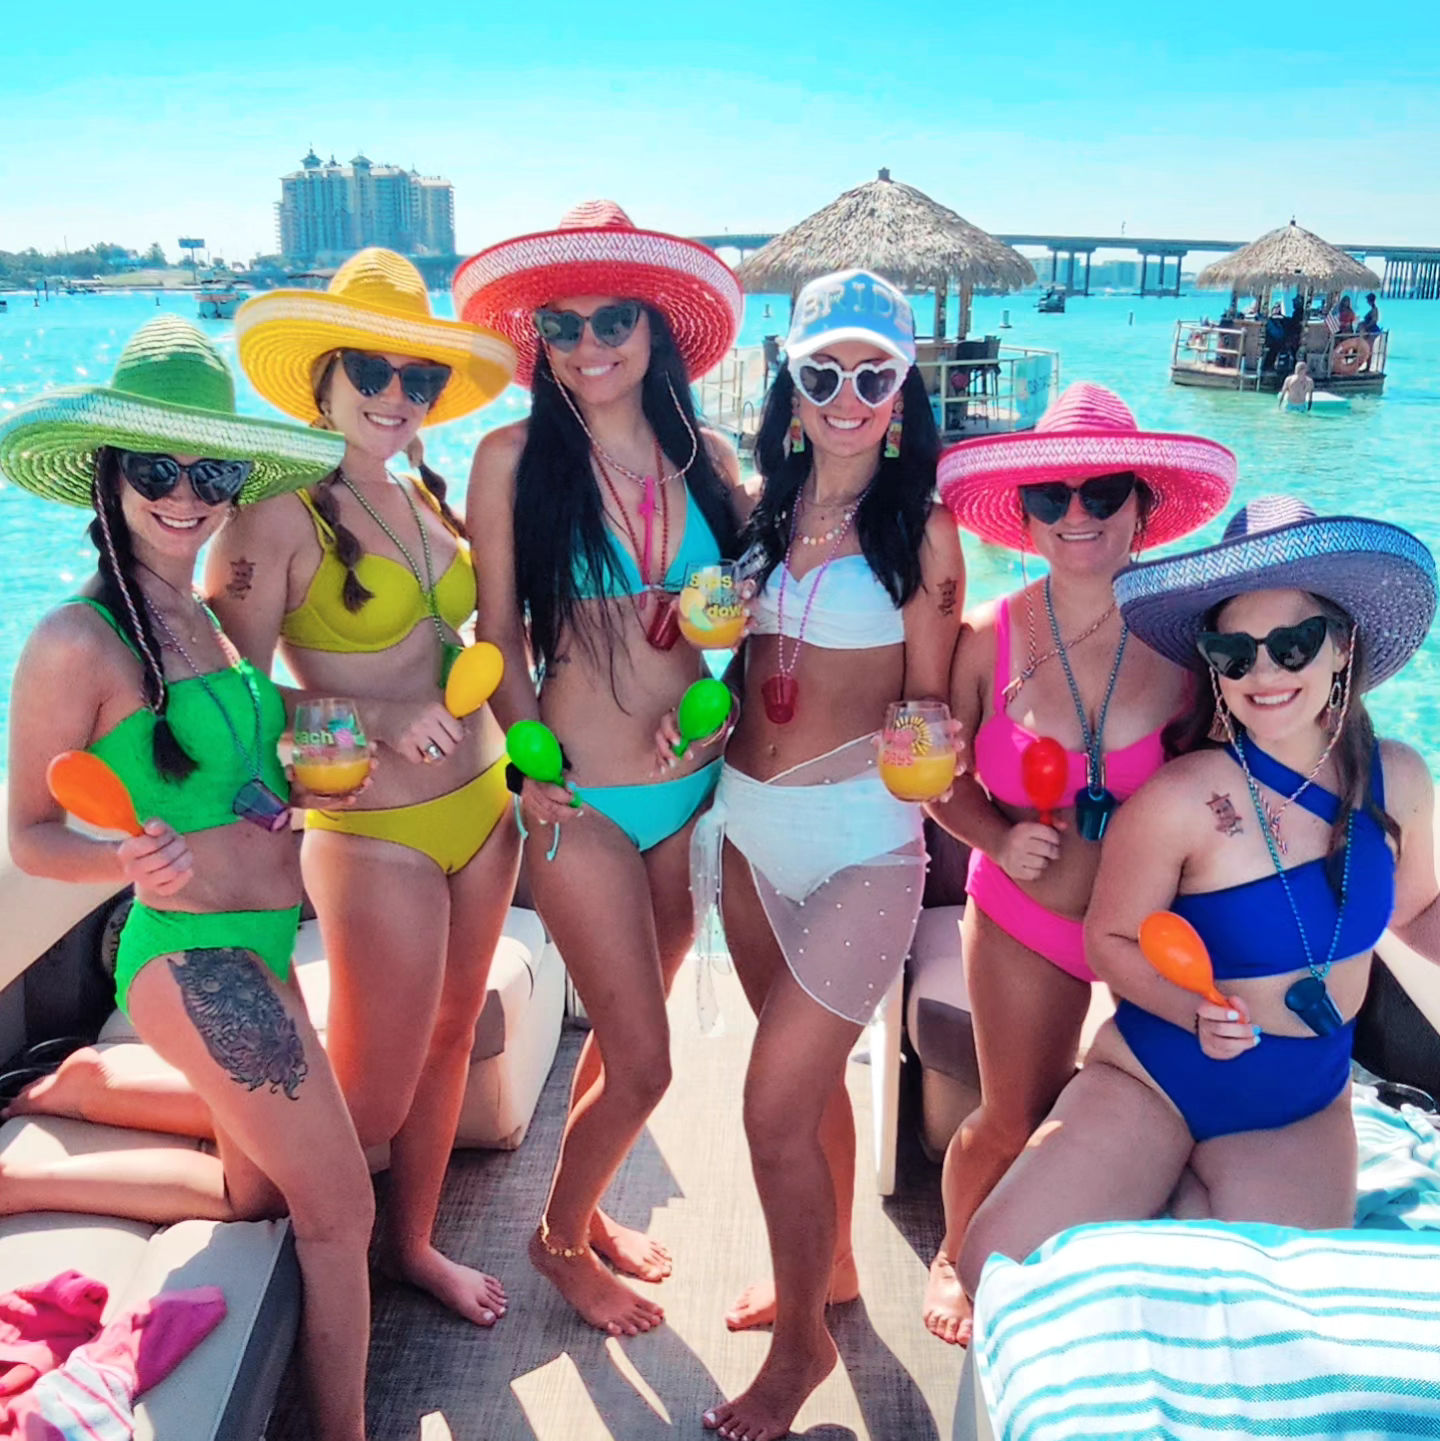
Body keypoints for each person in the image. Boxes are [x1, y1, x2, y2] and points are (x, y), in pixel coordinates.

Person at [0, 318, 374, 1441]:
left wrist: (290, 786)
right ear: (109, 475)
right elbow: (29, 834)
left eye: (208, 473)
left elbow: (223, 782)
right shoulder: (78, 640)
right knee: (342, 1209)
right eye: (155, 470)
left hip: (262, 939)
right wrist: (116, 858)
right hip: (193, 952)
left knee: (251, 1194)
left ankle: (40, 1148)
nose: (183, 495)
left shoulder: (205, 617)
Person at [958, 496, 1440, 1298]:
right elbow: (1109, 940)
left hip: (1298, 1108)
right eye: (1235, 652)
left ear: (1342, 644)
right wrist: (1192, 1012)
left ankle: (1179, 1198)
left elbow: (1417, 909)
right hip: (1156, 1078)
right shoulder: (1179, 798)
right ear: (1213, 665)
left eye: (1294, 644)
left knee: (1276, 1311)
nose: (1266, 673)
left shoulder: (1399, 781)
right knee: (999, 1269)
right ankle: (1170, 1186)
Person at [456, 202, 746, 1336]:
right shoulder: (512, 459)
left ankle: (594, 1207)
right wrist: (527, 766)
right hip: (578, 801)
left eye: (612, 319)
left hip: (687, 794)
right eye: (562, 326)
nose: (588, 344)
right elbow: (496, 636)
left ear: (653, 328)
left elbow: (745, 633)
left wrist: (721, 716)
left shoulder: (708, 460)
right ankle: (558, 1241)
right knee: (647, 1063)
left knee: (630, 1040)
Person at [695, 270, 964, 1439]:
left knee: (769, 1111)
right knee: (802, 1095)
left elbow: (929, 703)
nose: (847, 397)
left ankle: (802, 1344)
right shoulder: (761, 509)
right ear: (791, 388)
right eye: (823, 373)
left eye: (872, 375)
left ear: (902, 391)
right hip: (748, 832)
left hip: (863, 846)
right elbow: (730, 667)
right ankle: (835, 1269)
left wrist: (942, 741)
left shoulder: (925, 530)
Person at [920, 383, 1236, 1346]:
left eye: (1102, 492)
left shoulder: (1189, 644)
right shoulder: (987, 640)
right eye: (1051, 496)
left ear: (1143, 505)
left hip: (1160, 933)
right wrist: (994, 835)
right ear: (1023, 514)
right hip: (1027, 921)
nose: (1076, 514)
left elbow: (1246, 758)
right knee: (1012, 1116)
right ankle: (953, 1252)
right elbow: (934, 779)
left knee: (1171, 1128)